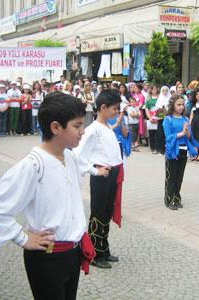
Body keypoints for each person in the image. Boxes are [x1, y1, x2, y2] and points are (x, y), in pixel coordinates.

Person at [0, 92, 95, 300]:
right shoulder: (33, 165)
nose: (83, 131)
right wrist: (22, 237)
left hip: (73, 252)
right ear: (55, 127)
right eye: (77, 125)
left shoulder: (70, 157)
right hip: (48, 258)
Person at [73, 89, 123, 269]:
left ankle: (103, 249)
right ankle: (93, 253)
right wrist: (94, 171)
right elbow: (77, 155)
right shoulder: (92, 130)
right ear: (103, 108)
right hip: (102, 176)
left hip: (112, 174)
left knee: (106, 213)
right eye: (115, 109)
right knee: (98, 214)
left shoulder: (107, 127)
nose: (117, 112)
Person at [163, 95, 199, 210]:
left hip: (183, 150)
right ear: (172, 105)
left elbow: (189, 137)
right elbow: (168, 138)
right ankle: (169, 199)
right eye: (178, 104)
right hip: (172, 151)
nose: (181, 107)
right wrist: (182, 133)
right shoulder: (168, 119)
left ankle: (177, 198)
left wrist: (187, 132)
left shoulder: (186, 119)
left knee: (179, 176)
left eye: (182, 104)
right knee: (171, 176)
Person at [145, 85, 160, 154]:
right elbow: (147, 108)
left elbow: (161, 109)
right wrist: (149, 117)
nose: (154, 91)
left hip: (158, 117)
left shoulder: (160, 98)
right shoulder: (148, 99)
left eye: (155, 89)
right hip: (151, 117)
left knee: (158, 134)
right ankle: (152, 148)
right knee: (151, 134)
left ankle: (157, 148)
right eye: (152, 89)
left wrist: (158, 118)